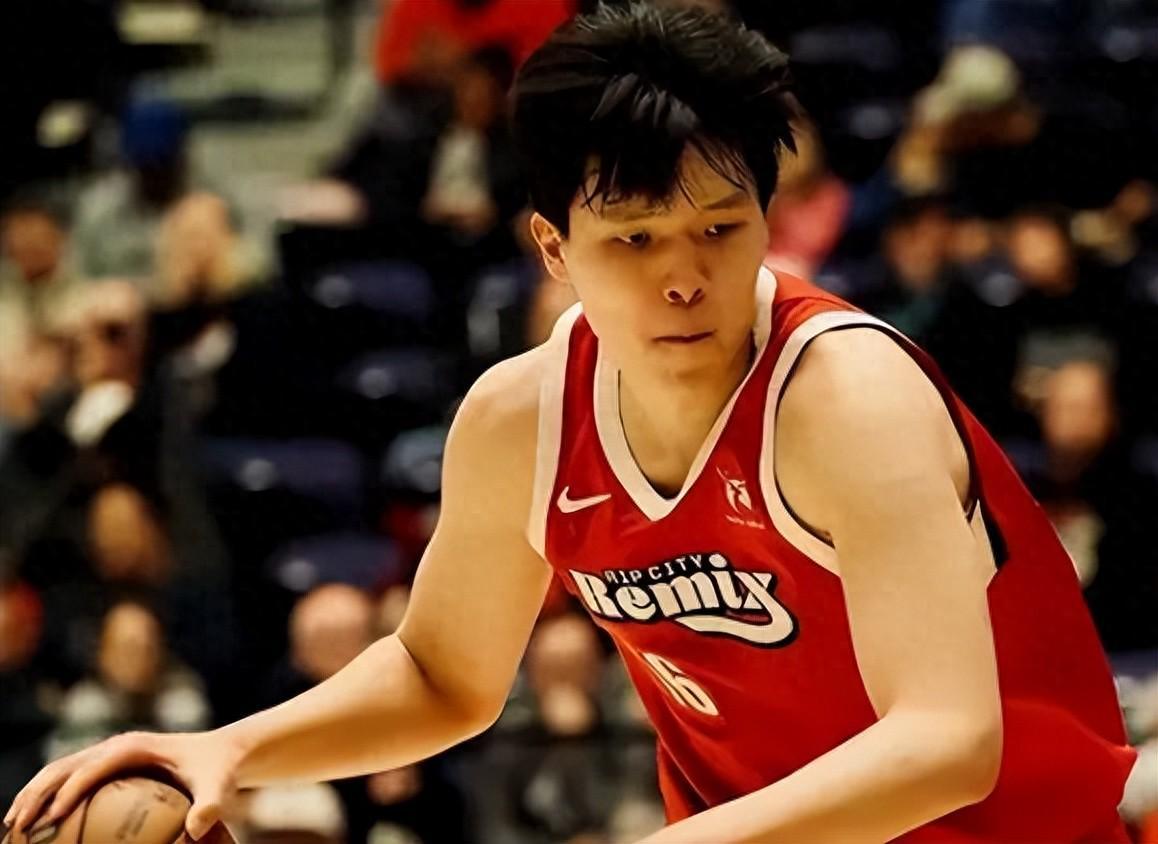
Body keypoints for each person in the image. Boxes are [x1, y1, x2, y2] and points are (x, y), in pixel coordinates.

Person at [5, 6, 1135, 844]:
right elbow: (442, 675)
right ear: (552, 247)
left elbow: (947, 743)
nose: (684, 276)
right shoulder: (521, 419)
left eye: (720, 227)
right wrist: (232, 746)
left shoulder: (848, 400)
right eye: (635, 239)